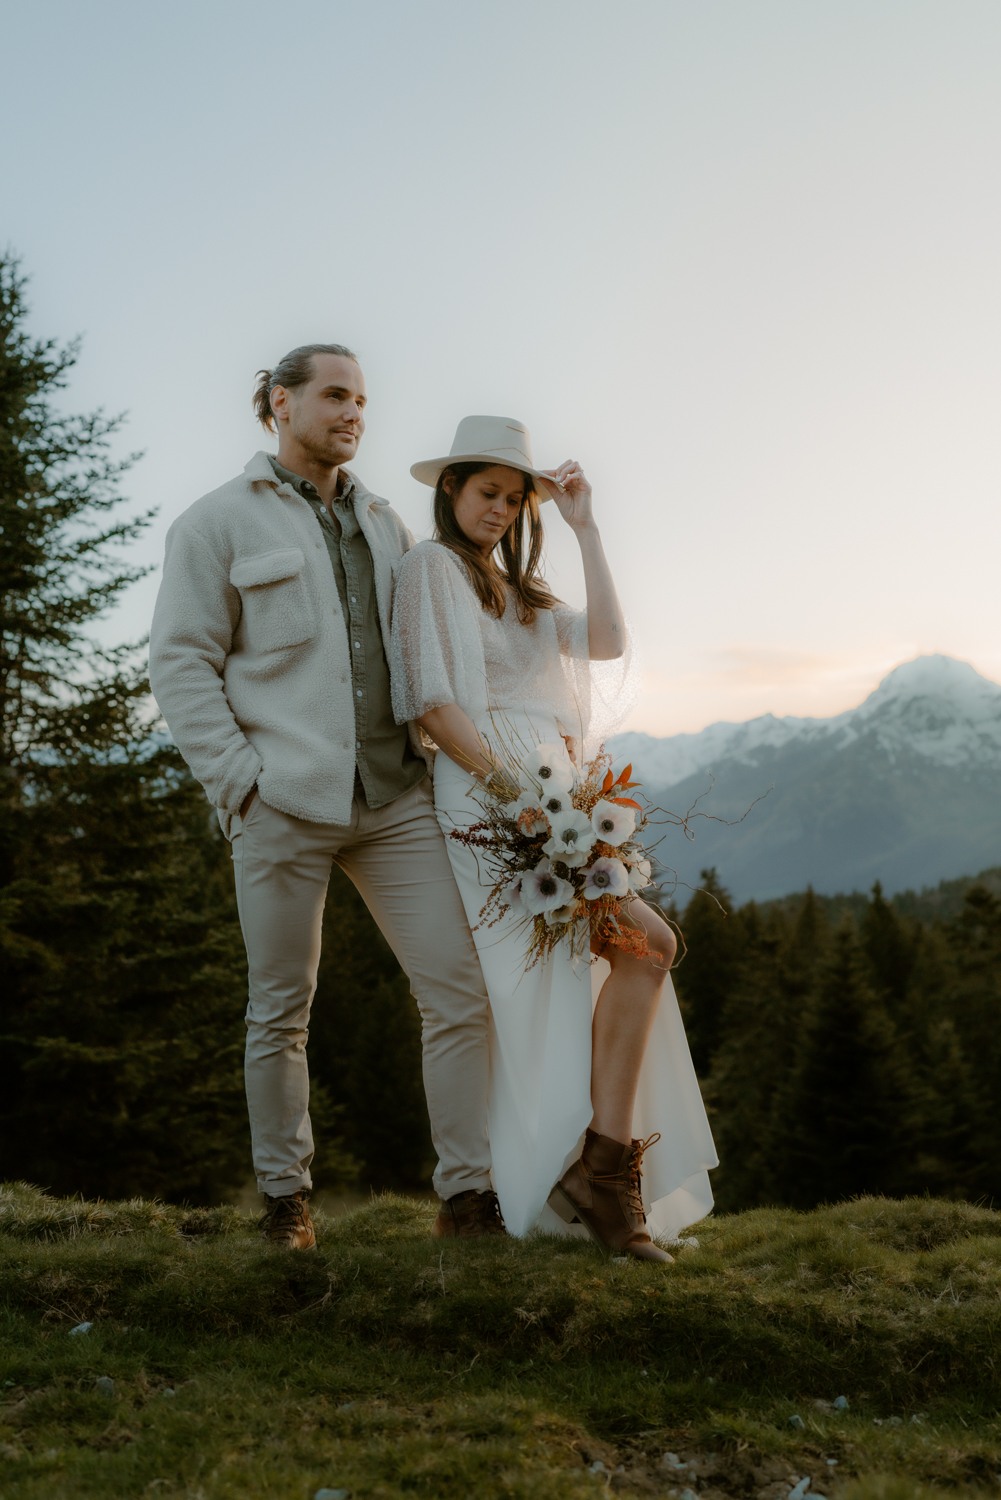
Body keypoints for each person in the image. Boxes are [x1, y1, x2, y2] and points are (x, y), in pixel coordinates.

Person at [149, 347, 506, 1249]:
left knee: (460, 995)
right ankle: (285, 1205)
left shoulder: (385, 524)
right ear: (280, 403)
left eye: (363, 400)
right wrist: (239, 783)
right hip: (282, 805)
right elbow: (181, 661)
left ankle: (468, 1200)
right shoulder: (214, 523)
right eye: (335, 395)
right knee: (279, 1010)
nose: (354, 413)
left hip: (394, 799)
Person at [390, 416, 718, 1262]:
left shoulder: (526, 594)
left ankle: (599, 1171)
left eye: (512, 497)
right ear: (451, 491)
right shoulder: (430, 569)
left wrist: (587, 529)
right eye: (486, 492)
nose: (499, 509)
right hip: (490, 792)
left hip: (554, 793)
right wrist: (515, 800)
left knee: (635, 953)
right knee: (596, 963)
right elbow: (431, 699)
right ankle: (587, 1181)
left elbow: (607, 642)